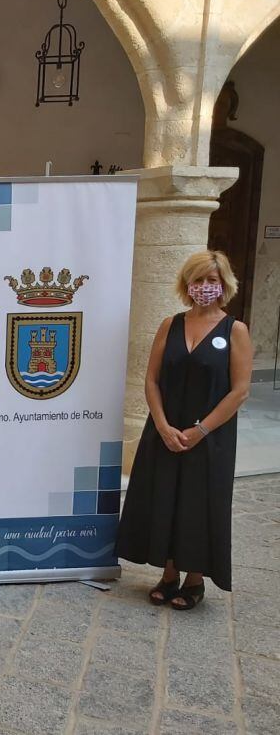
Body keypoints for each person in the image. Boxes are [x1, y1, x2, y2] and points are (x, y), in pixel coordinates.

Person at [117, 250, 251, 610]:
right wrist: (162, 425)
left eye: (212, 280)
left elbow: (240, 390)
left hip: (210, 436)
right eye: (198, 280)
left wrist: (200, 431)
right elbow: (151, 379)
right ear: (187, 285)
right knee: (165, 497)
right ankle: (168, 574)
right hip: (165, 430)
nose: (204, 287)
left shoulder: (234, 330)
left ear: (223, 285)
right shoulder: (170, 324)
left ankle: (194, 580)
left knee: (198, 502)